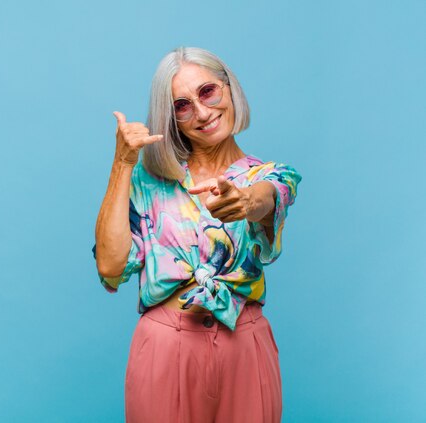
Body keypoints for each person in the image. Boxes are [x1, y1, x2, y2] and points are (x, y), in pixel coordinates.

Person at [93, 46, 301, 423]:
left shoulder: (269, 176)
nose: (203, 113)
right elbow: (109, 267)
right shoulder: (148, 182)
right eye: (183, 105)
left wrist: (246, 203)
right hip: (165, 348)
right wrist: (123, 162)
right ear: (170, 118)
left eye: (208, 92)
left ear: (229, 87)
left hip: (245, 346)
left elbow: (266, 198)